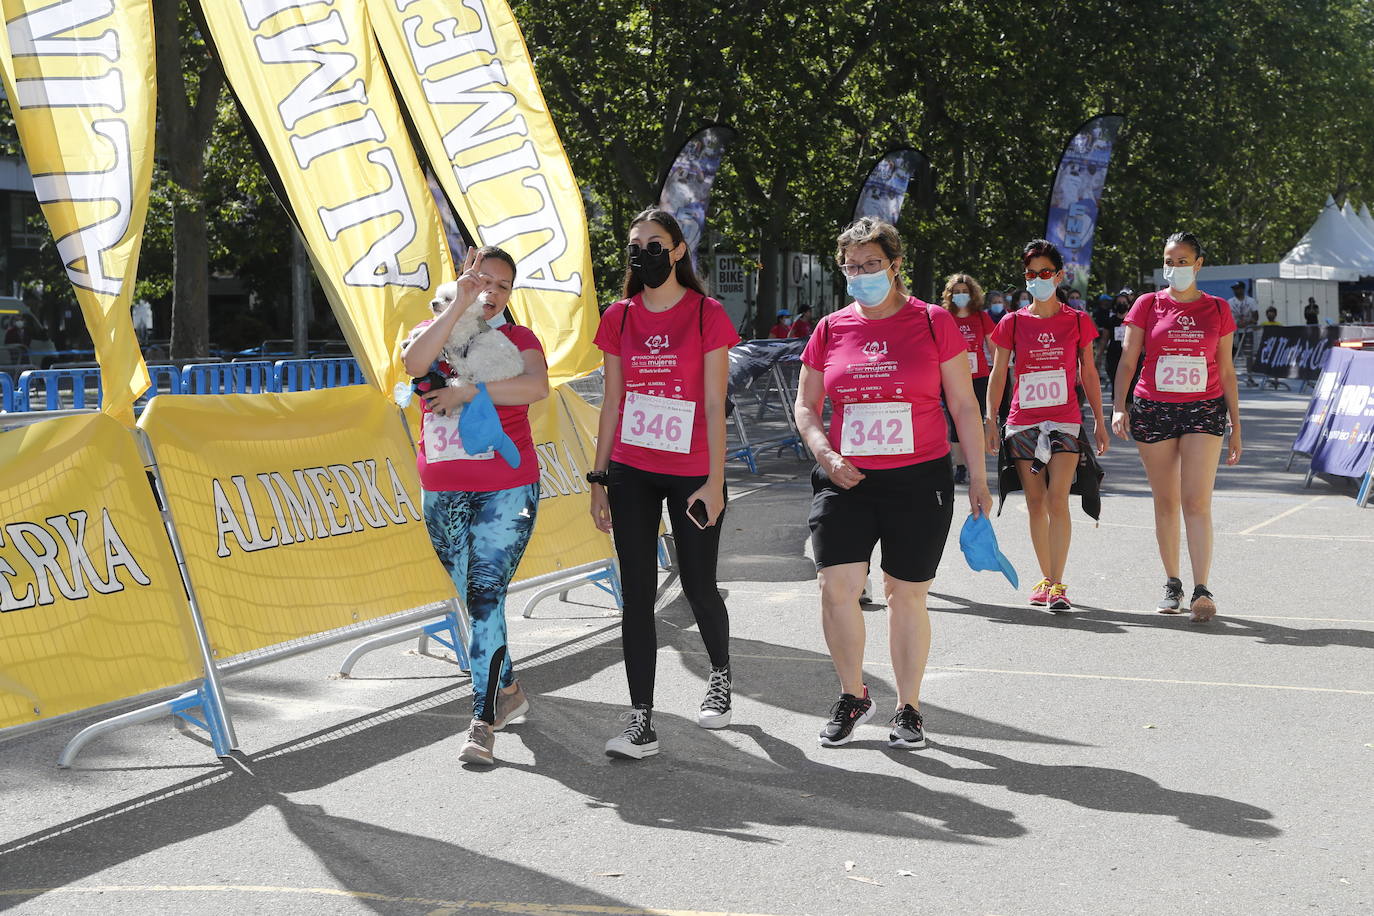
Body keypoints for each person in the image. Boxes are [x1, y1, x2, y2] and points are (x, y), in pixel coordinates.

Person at [794, 217, 992, 750]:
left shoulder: (932, 322)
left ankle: (908, 707)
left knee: (905, 594)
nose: (860, 274)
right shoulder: (831, 328)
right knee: (836, 588)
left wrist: (977, 475)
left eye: (871, 264)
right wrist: (826, 454)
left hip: (918, 480)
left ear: (895, 264)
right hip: (844, 480)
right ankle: (852, 692)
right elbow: (807, 407)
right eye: (851, 266)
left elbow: (964, 405)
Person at [588, 207, 739, 760]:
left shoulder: (707, 314)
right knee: (636, 596)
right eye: (635, 245)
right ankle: (641, 721)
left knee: (698, 586)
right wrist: (599, 478)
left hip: (693, 471)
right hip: (632, 468)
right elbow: (612, 404)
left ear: (677, 251)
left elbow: (715, 403)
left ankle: (720, 677)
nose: (643, 254)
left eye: (655, 244)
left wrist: (716, 482)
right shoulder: (619, 317)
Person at [402, 246, 550, 766]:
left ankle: (481, 720)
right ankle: (507, 690)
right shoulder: (433, 327)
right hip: (442, 489)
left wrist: (470, 391)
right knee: (475, 599)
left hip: (507, 487)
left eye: (502, 285)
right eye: (481, 279)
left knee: (486, 596)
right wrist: (456, 304)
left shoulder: (519, 339)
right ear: (464, 276)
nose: (490, 291)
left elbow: (536, 386)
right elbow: (413, 364)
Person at [1111, 232, 1241, 622]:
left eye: (1183, 260)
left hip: (1204, 409)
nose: (1175, 267)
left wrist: (1236, 423)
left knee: (1196, 501)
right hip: (1154, 409)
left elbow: (1229, 371)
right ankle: (1173, 583)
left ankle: (1202, 587)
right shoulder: (1147, 304)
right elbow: (1127, 361)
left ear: (1199, 264)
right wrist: (1119, 407)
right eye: (1170, 260)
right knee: (1166, 501)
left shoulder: (1218, 309)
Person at [985, 239, 1108, 611]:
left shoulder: (1076, 320)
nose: (1037, 279)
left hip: (1065, 421)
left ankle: (1058, 584)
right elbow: (998, 372)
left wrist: (1101, 420)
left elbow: (1087, 371)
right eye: (1030, 274)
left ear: (1058, 276)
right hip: (1023, 422)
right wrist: (990, 420)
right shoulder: (1012, 322)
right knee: (1036, 503)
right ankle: (1046, 579)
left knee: (1058, 500)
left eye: (1044, 273)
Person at [940, 273, 996, 486]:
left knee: (975, 421)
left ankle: (976, 467)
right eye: (957, 292)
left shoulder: (981, 317)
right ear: (950, 295)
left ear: (972, 294)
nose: (961, 295)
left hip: (978, 377)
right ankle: (960, 467)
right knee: (955, 422)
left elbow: (993, 346)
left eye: (964, 292)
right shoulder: (944, 316)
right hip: (952, 377)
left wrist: (999, 371)